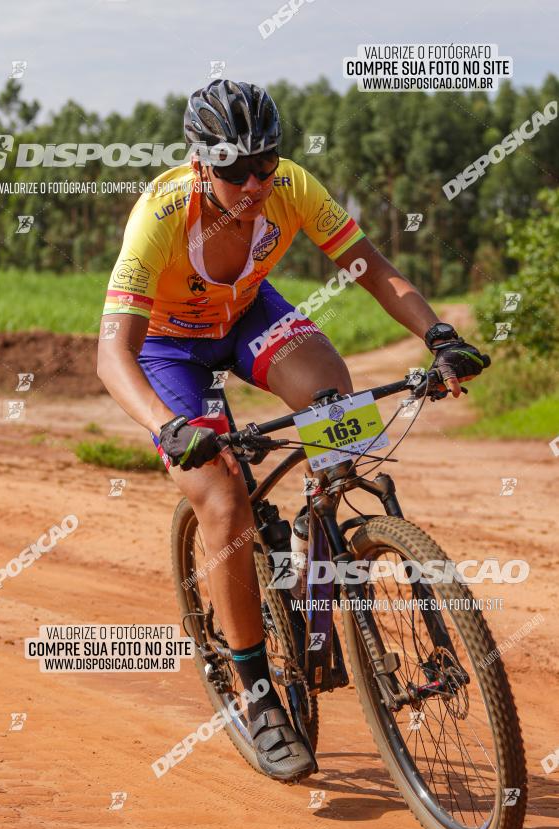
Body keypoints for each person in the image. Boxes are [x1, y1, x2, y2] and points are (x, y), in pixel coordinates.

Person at [97, 79, 487, 783]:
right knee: (220, 500)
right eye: (233, 169)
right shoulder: (161, 213)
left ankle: (314, 546)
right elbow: (111, 353)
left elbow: (375, 273)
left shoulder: (292, 189)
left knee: (336, 408)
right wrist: (167, 425)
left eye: (264, 164)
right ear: (199, 166)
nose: (251, 183)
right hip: (167, 351)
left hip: (245, 317)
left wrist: (437, 336)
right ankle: (256, 694)